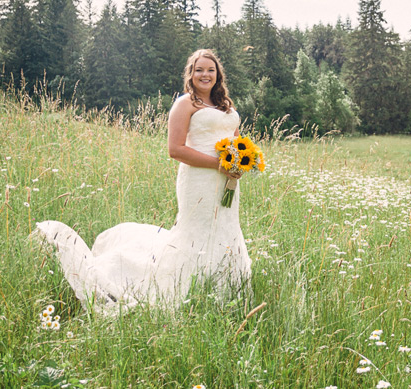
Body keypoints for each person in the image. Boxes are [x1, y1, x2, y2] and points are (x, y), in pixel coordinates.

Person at [33, 49, 252, 314]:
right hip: (199, 180)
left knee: (225, 227)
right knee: (197, 232)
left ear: (218, 75)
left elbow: (238, 141)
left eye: (210, 70)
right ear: (191, 75)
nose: (205, 74)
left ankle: (225, 290)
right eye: (199, 70)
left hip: (227, 181)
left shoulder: (225, 106)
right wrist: (218, 164)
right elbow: (175, 149)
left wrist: (239, 163)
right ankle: (181, 290)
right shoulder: (185, 104)